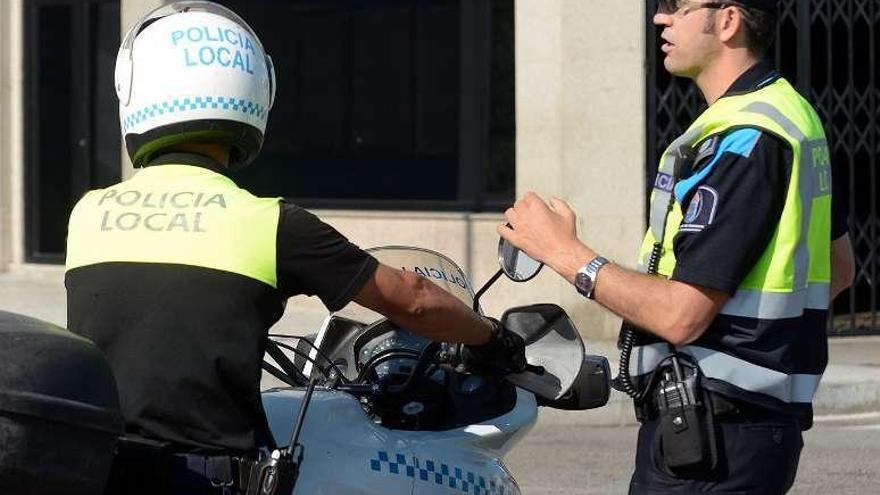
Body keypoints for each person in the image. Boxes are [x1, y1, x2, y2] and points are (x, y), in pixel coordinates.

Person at [64, 2, 525, 494]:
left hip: (102, 473)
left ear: (132, 91)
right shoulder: (273, 224)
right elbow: (411, 298)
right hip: (207, 482)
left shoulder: (89, 214)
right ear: (256, 90)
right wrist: (493, 339)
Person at [499, 0, 855, 493]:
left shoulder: (745, 139)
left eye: (676, 7)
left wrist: (565, 252)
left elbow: (679, 316)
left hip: (713, 438)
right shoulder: (789, 115)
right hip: (741, 431)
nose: (659, 19)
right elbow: (839, 268)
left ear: (728, 21)